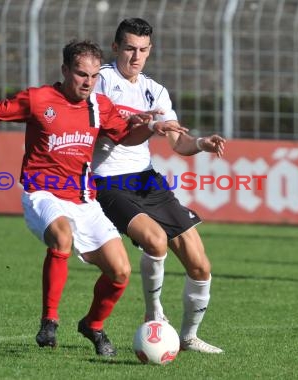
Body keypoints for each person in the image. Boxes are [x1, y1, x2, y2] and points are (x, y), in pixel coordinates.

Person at [0, 39, 186, 357]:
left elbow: (127, 136)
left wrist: (154, 127)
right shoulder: (38, 98)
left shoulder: (99, 107)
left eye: (94, 76)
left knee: (121, 271)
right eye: (81, 74)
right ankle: (49, 322)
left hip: (83, 199)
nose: (88, 82)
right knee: (62, 235)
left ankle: (93, 325)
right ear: (65, 70)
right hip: (41, 192)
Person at [92, 18, 226, 354]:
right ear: (115, 47)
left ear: (150, 51)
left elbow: (178, 143)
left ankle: (189, 336)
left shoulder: (156, 90)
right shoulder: (101, 81)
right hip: (107, 182)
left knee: (200, 263)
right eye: (129, 49)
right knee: (155, 240)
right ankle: (154, 313)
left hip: (147, 181)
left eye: (143, 50)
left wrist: (201, 144)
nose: (135, 57)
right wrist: (150, 123)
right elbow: (106, 129)